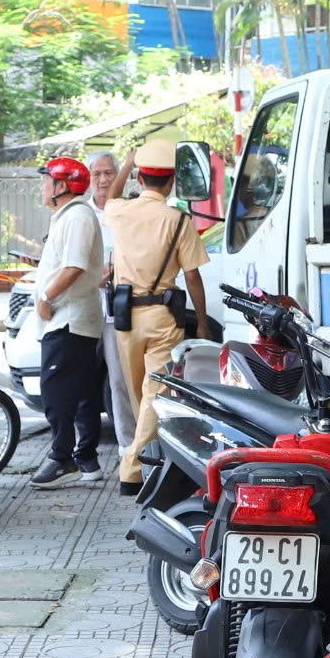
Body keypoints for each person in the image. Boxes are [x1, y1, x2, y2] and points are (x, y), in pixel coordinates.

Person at [107, 140, 210, 491]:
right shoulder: (178, 221)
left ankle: (137, 463)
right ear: (170, 184)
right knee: (155, 394)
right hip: (163, 318)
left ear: (140, 178)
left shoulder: (119, 212)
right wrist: (204, 322)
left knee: (143, 395)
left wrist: (127, 162)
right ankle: (134, 463)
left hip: (124, 318)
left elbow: (110, 196)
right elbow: (193, 276)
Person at [29, 155, 107, 487]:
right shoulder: (69, 217)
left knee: (56, 389)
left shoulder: (77, 217)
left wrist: (46, 299)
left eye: (47, 180)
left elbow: (73, 267)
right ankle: (87, 459)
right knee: (82, 390)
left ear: (61, 186)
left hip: (68, 319)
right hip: (72, 319)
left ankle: (62, 458)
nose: (43, 186)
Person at [86, 150, 128, 437]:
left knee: (119, 382)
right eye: (96, 174)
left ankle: (128, 446)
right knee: (81, 381)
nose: (102, 180)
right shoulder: (79, 213)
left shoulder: (128, 211)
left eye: (108, 173)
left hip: (117, 309)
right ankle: (81, 450)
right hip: (85, 308)